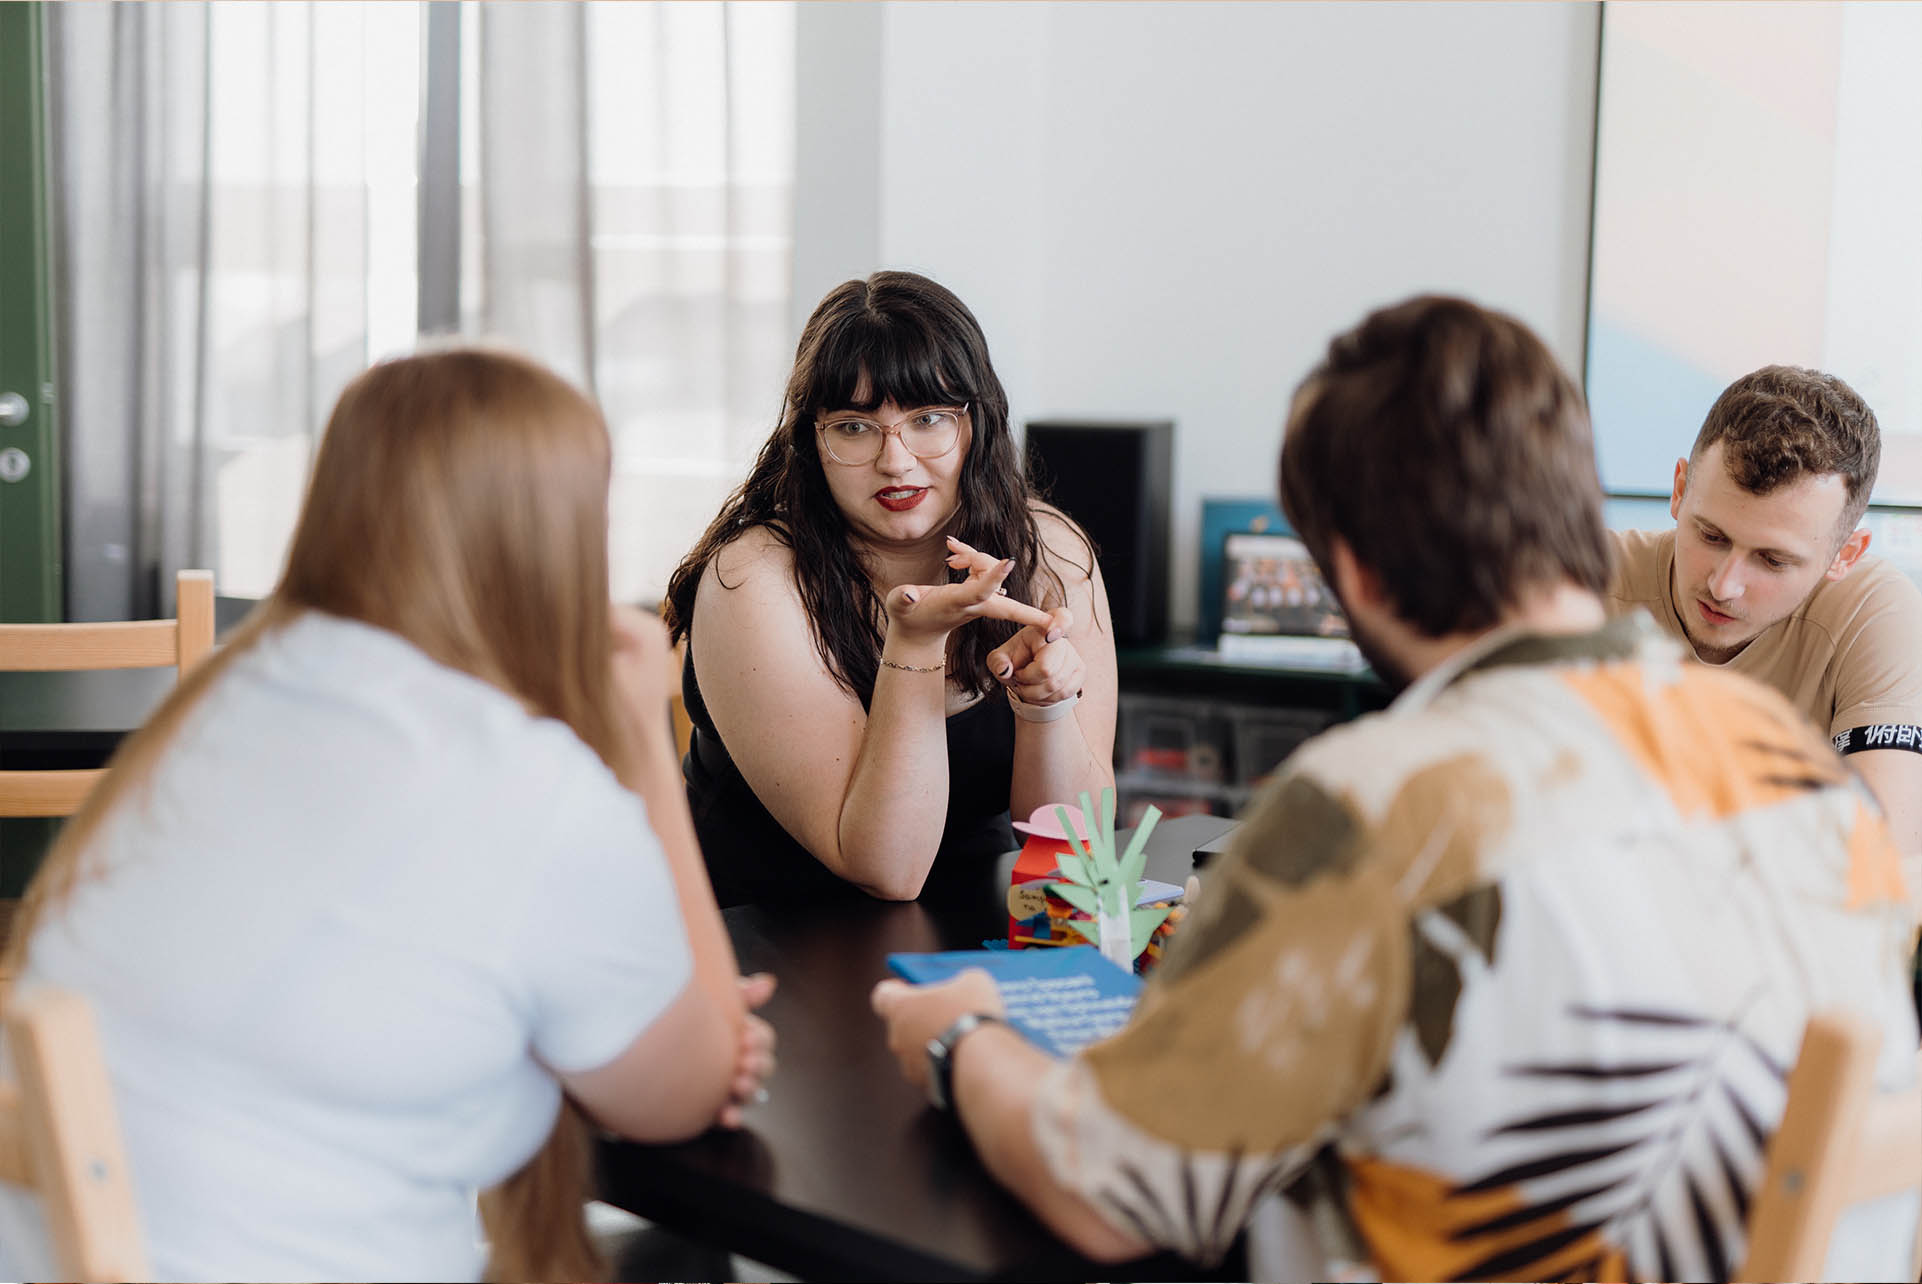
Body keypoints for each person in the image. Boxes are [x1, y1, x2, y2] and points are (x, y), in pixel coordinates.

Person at [873, 297, 1920, 1280]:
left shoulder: (1374, 803)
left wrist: (964, 1040)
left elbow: (1107, 1191)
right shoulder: (1810, 788)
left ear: (1355, 576)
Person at [0, 349, 774, 1283]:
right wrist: (646, 743)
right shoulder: (531, 783)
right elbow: (682, 1091)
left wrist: (669, 1017)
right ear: (556, 542)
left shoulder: (218, 699)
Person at [664, 271, 1117, 906]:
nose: (896, 461)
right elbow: (886, 868)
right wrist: (917, 641)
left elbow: (1074, 850)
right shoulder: (755, 581)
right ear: (812, 438)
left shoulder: (1050, 553)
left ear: (977, 425)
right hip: (770, 949)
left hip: (968, 935)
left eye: (929, 418)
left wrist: (1046, 710)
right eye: (854, 426)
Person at [1607, 365, 1922, 857]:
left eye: (1773, 561)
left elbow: (1880, 861)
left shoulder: (1874, 610)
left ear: (1845, 555)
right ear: (1678, 489)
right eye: (1711, 536)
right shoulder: (1583, 582)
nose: (1724, 586)